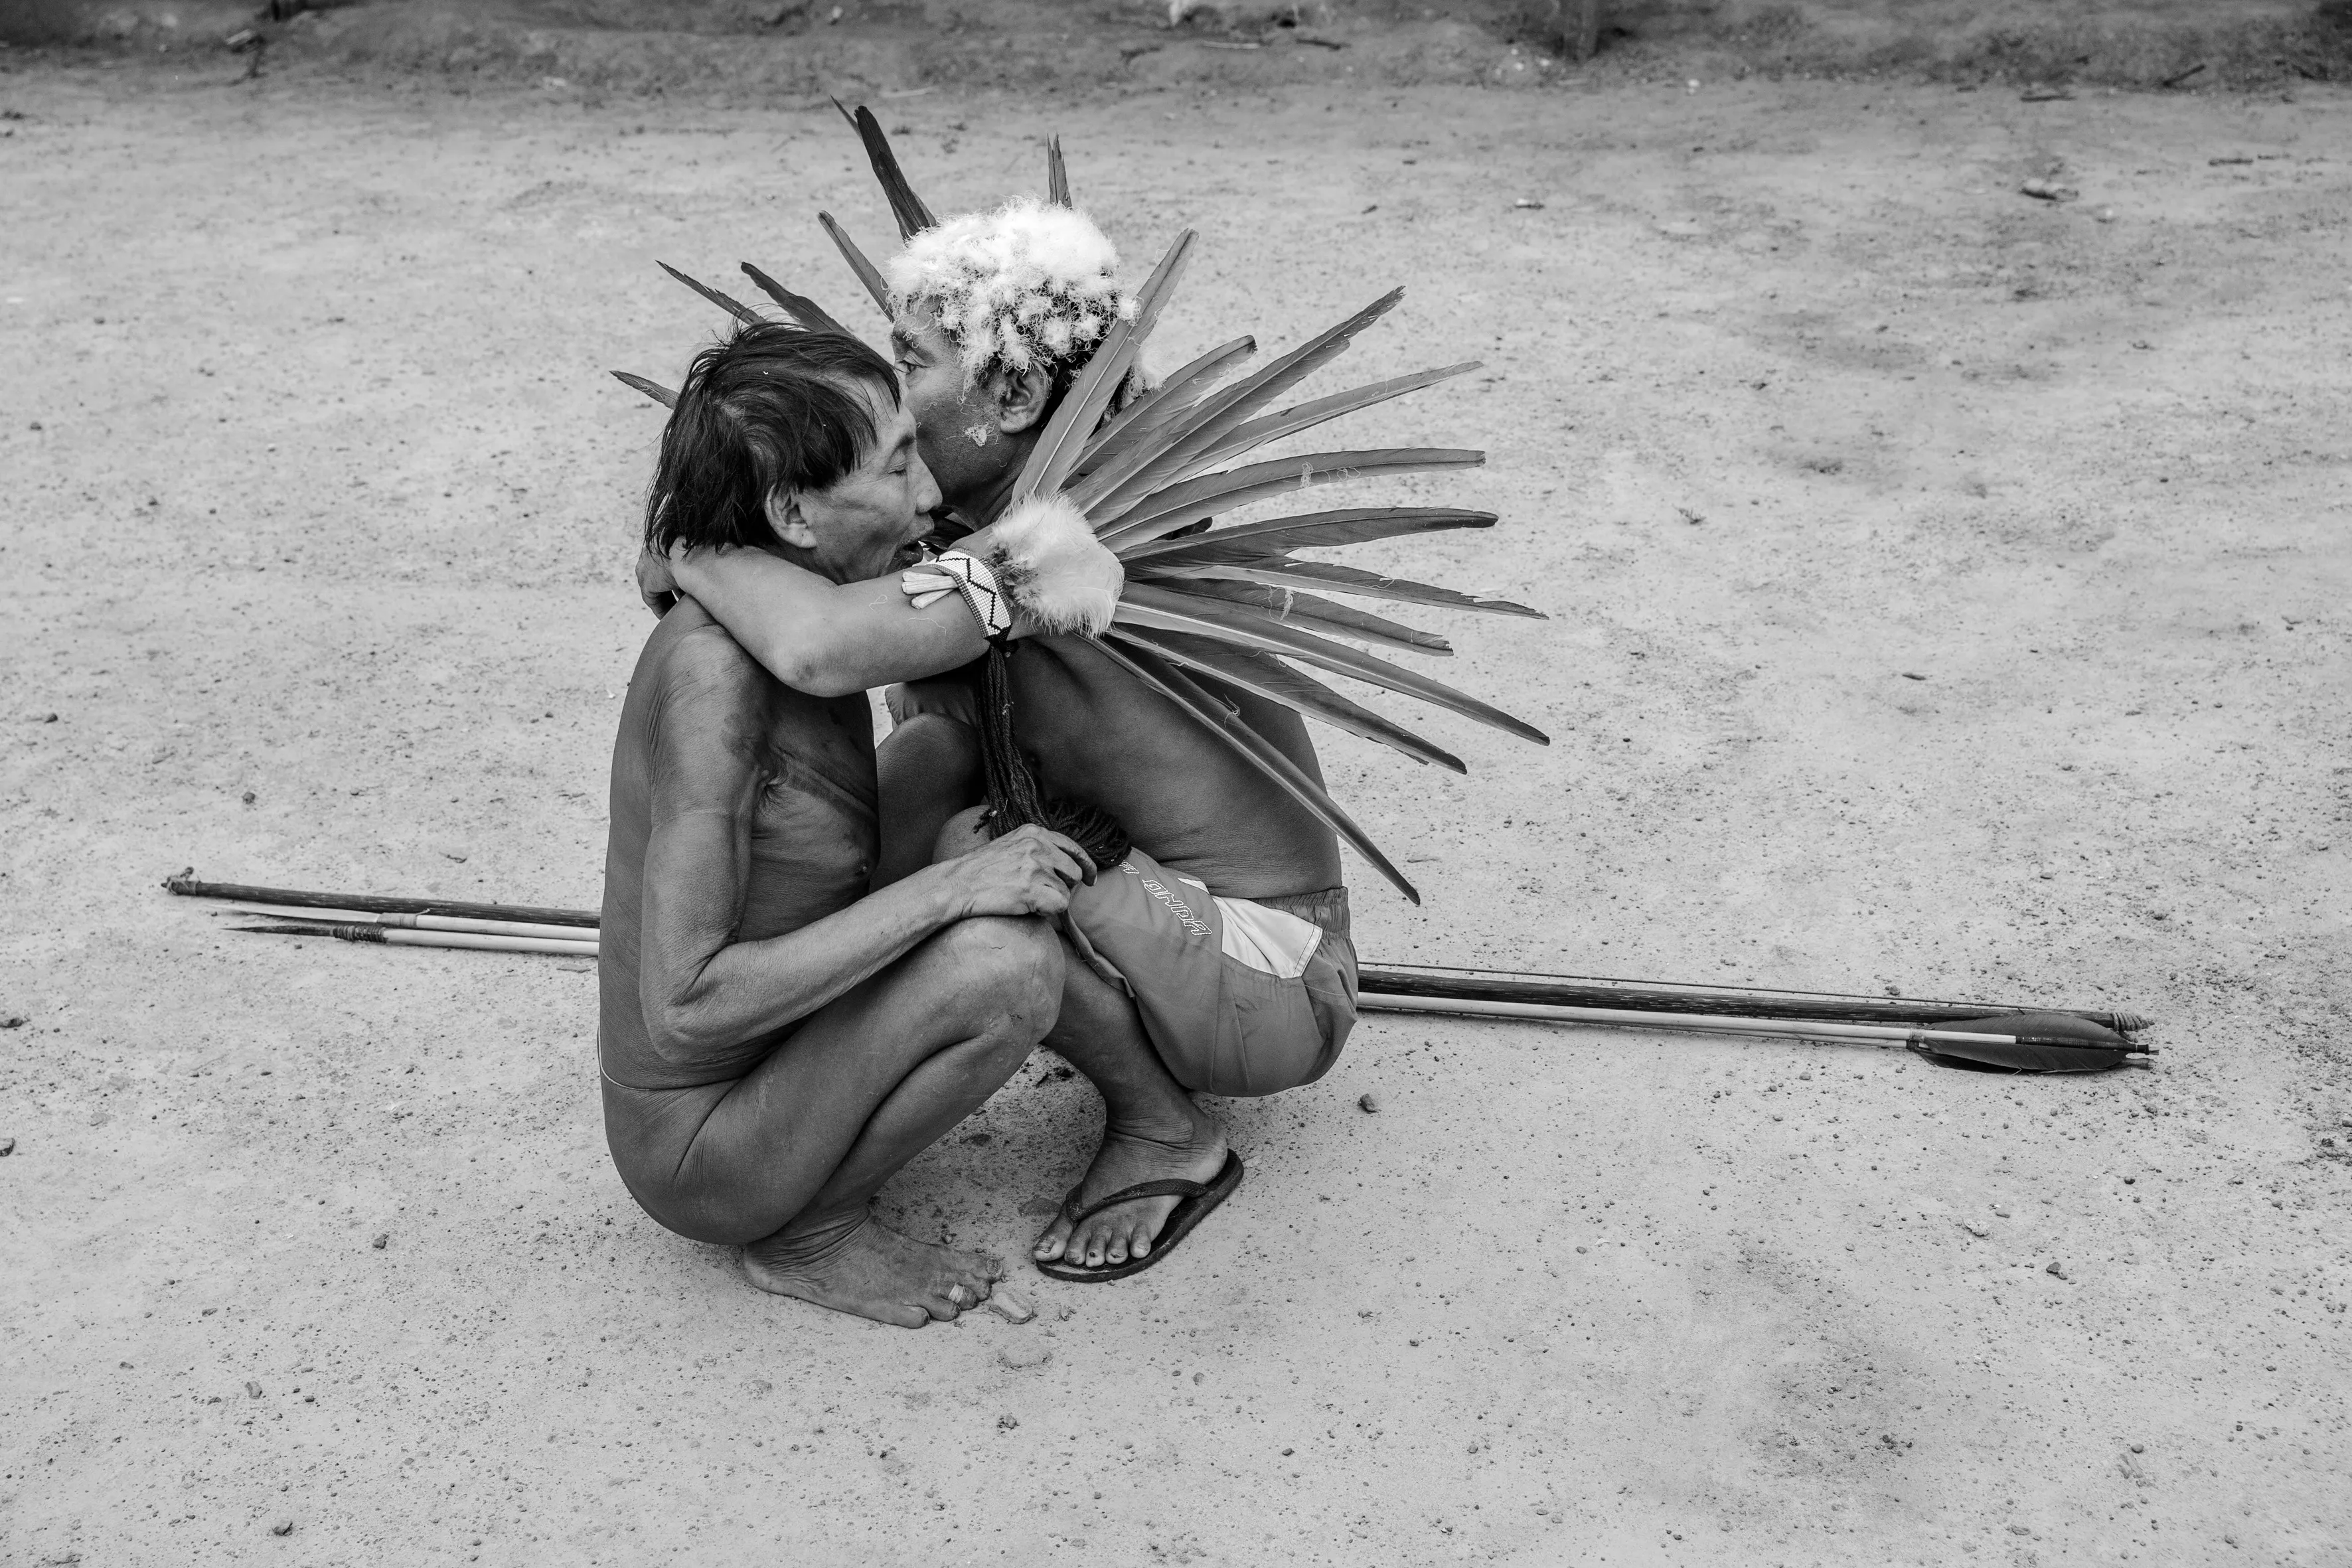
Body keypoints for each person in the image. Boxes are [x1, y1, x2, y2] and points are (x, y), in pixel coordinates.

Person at [659, 200, 1360, 1283]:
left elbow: (815, 648)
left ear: (1017, 394)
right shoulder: (973, 535)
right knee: (937, 762)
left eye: (912, 362)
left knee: (972, 847)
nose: (890, 399)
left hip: (1273, 978)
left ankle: (1168, 1131)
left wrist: (695, 549)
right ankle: (872, 1026)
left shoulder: (1077, 544)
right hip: (1162, 915)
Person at [599, 320, 1102, 1328]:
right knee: (1010, 968)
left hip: (792, 1024)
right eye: (898, 464)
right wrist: (952, 888)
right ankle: (808, 1230)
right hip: (710, 1141)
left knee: (940, 748)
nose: (930, 496)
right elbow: (688, 1008)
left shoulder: (800, 595)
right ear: (790, 512)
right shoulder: (713, 691)